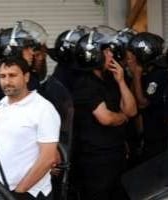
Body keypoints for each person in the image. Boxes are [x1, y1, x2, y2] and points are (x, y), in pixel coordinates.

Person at [0, 56, 60, 200]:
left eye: (13, 75)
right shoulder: (2, 106)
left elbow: (48, 158)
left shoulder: (43, 109)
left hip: (31, 193)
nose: (7, 81)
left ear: (26, 77)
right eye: (2, 76)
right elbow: (1, 152)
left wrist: (20, 192)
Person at [72, 29, 137, 200]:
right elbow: (106, 117)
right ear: (94, 55)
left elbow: (132, 110)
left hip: (115, 154)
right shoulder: (84, 84)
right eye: (106, 51)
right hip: (96, 160)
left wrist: (121, 81)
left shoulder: (111, 78)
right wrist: (123, 118)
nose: (111, 54)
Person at [127, 32, 168, 161]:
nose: (129, 61)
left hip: (159, 138)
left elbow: (142, 103)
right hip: (149, 135)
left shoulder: (158, 74)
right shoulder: (149, 73)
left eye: (132, 56)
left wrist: (136, 74)